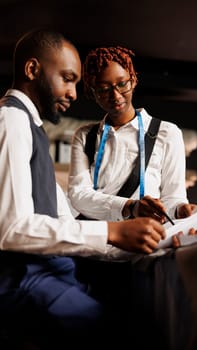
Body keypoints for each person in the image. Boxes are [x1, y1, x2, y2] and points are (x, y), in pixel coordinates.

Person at [0, 29, 167, 348]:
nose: (75, 93)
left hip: (49, 272)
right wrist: (112, 232)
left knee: (138, 306)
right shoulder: (10, 120)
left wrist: (138, 239)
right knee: (123, 334)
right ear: (32, 70)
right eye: (67, 78)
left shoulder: (31, 127)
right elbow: (13, 230)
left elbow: (65, 224)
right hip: (24, 280)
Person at [68, 46, 197, 224]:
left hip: (144, 238)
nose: (115, 95)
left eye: (122, 84)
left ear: (133, 80)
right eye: (104, 89)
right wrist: (131, 207)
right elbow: (78, 194)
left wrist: (181, 210)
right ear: (93, 92)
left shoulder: (167, 133)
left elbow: (173, 198)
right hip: (99, 239)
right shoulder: (84, 136)